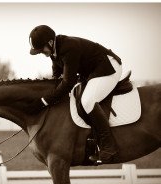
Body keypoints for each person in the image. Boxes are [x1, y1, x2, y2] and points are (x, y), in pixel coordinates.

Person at [27, 25, 123, 164]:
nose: (41, 53)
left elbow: (67, 84)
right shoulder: (55, 51)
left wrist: (43, 101)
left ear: (50, 43)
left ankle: (109, 147)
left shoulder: (68, 48)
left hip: (108, 67)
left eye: (41, 49)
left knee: (87, 101)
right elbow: (56, 79)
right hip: (93, 71)